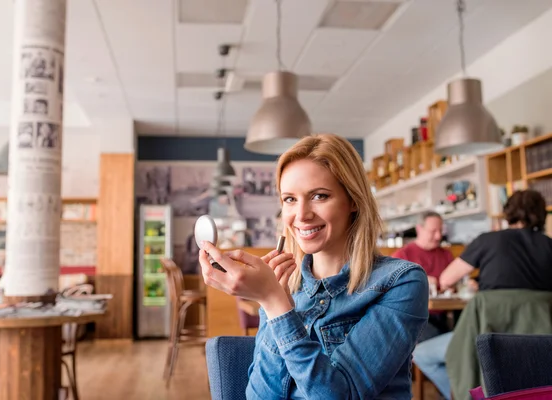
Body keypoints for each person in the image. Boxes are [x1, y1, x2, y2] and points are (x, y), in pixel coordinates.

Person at [199, 133, 429, 399]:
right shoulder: (281, 283)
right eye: (290, 199)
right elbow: (261, 396)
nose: (301, 215)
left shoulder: (401, 282)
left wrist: (276, 305)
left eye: (319, 196)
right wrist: (275, 302)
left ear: (353, 200)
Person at [413, 189, 552, 399]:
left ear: (508, 212)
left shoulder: (488, 240)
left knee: (422, 354)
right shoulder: (549, 245)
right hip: (541, 349)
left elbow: (446, 279)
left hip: (487, 343)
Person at [393, 211, 454, 341]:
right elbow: (393, 292)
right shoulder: (403, 255)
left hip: (446, 314)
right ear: (419, 229)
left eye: (440, 230)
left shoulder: (446, 254)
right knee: (451, 344)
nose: (438, 236)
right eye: (433, 231)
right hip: (414, 318)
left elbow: (456, 286)